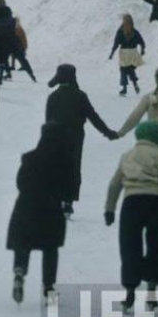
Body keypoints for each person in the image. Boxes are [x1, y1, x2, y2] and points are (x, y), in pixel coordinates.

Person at [104, 121, 158, 312]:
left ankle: (130, 291)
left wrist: (109, 209)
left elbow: (115, 184)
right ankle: (152, 289)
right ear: (156, 138)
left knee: (130, 246)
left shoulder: (128, 156)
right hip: (156, 203)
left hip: (132, 203)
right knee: (156, 245)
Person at [7, 123, 73, 306]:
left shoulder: (30, 159)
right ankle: (49, 288)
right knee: (50, 249)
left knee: (23, 242)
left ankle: (19, 272)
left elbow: (20, 183)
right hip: (51, 210)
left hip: (26, 206)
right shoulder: (64, 162)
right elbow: (69, 190)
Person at [46, 64, 119, 218]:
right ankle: (68, 202)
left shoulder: (53, 97)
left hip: (56, 138)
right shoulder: (80, 96)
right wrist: (107, 132)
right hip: (75, 136)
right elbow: (93, 117)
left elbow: (48, 121)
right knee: (73, 167)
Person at [118, 67, 158, 161]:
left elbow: (135, 116)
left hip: (155, 140)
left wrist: (121, 132)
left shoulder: (149, 97)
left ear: (156, 79)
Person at [0, 5, 36, 85]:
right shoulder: (13, 21)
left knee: (3, 59)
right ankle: (32, 75)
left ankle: (6, 74)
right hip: (13, 42)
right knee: (22, 59)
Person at [109, 14, 146, 96]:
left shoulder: (120, 31)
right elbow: (142, 42)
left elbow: (116, 44)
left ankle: (124, 89)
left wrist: (112, 53)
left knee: (123, 70)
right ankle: (135, 84)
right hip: (133, 52)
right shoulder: (135, 32)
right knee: (130, 69)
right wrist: (143, 50)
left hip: (124, 53)